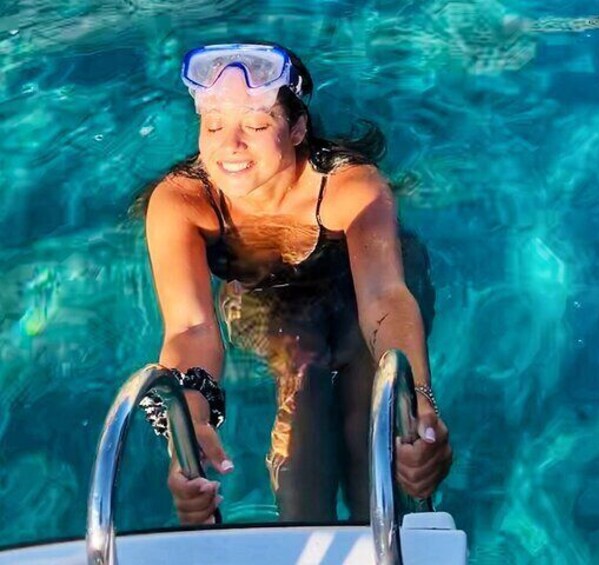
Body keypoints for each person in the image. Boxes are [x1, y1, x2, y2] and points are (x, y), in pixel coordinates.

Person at [135, 43, 452, 524]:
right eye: (214, 125)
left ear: (299, 127)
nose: (230, 146)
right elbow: (190, 328)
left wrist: (419, 407)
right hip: (273, 305)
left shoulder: (350, 189)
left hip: (357, 284)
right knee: (301, 448)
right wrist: (188, 426)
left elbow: (385, 297)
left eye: (257, 125)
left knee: (379, 456)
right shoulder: (182, 203)